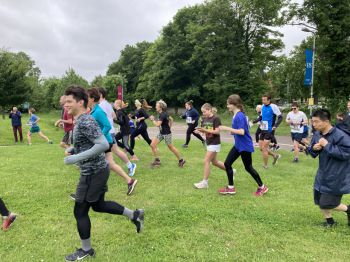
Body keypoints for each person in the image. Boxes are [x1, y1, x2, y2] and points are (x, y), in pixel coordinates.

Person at [63, 86, 144, 261]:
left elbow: (101, 144)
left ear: (81, 102)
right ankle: (134, 215)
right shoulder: (82, 119)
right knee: (98, 206)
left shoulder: (86, 120)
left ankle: (86, 250)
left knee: (80, 211)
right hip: (95, 170)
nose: (65, 104)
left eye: (69, 101)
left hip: (93, 172)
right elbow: (90, 142)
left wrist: (75, 157)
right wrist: (74, 148)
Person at [87, 88, 137, 196]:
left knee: (94, 163)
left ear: (94, 98)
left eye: (87, 97)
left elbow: (107, 125)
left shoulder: (100, 108)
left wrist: (98, 136)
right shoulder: (96, 109)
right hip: (106, 138)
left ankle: (88, 190)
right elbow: (112, 117)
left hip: (105, 139)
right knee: (109, 163)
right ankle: (129, 180)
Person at [218, 95, 268, 196]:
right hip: (238, 145)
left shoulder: (239, 115)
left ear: (234, 104)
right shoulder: (236, 115)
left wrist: (226, 128)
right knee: (227, 164)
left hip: (244, 146)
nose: (227, 106)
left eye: (228, 104)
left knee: (248, 167)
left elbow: (241, 131)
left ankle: (262, 187)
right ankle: (231, 188)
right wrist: (233, 132)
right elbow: (239, 130)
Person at [308, 109, 350, 227]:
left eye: (316, 122)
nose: (314, 124)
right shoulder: (317, 134)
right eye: (312, 122)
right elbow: (312, 152)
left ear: (326, 121)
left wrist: (327, 145)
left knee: (327, 202)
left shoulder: (340, 135)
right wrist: (314, 149)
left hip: (337, 175)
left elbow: (346, 153)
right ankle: (330, 222)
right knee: (319, 200)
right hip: (323, 173)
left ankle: (348, 209)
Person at [97, 87, 137, 177]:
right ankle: (130, 165)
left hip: (106, 131)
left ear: (100, 95)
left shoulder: (101, 105)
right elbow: (114, 116)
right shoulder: (107, 104)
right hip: (110, 130)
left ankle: (130, 165)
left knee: (107, 150)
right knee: (114, 150)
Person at [193, 103, 226, 189]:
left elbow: (217, 131)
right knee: (215, 162)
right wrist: (200, 131)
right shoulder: (204, 119)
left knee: (206, 160)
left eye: (204, 112)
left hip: (215, 142)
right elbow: (205, 130)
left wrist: (204, 129)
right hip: (209, 142)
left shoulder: (216, 118)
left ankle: (205, 182)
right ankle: (231, 171)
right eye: (202, 112)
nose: (203, 114)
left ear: (209, 110)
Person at [149, 100, 186, 168]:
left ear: (160, 107)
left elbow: (157, 124)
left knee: (171, 147)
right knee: (152, 145)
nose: (155, 107)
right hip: (162, 133)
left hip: (166, 133)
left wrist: (152, 120)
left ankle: (181, 160)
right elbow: (171, 119)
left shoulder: (162, 114)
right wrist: (169, 126)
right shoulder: (162, 113)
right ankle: (157, 161)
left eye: (157, 106)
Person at [259, 95, 282, 168]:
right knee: (261, 148)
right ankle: (275, 155)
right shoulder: (262, 106)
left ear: (269, 100)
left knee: (264, 148)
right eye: (262, 100)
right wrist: (252, 122)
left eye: (264, 100)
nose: (263, 101)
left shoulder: (273, 106)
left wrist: (275, 126)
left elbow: (280, 117)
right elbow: (261, 117)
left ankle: (265, 166)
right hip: (263, 128)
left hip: (270, 130)